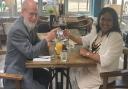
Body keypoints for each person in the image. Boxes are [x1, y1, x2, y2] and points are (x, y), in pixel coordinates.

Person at [64, 7, 123, 89]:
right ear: (99, 20)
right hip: (91, 68)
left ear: (114, 22)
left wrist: (87, 53)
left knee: (78, 84)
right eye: (103, 19)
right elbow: (84, 40)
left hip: (103, 75)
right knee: (73, 72)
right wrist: (69, 35)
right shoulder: (99, 32)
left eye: (109, 20)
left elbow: (106, 61)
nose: (105, 22)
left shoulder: (116, 37)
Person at [3, 0, 57, 89]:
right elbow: (31, 53)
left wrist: (46, 42)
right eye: (31, 14)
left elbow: (36, 42)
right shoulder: (17, 30)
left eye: (36, 14)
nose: (34, 17)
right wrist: (47, 38)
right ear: (22, 13)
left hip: (27, 66)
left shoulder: (30, 25)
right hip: (16, 74)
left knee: (47, 76)